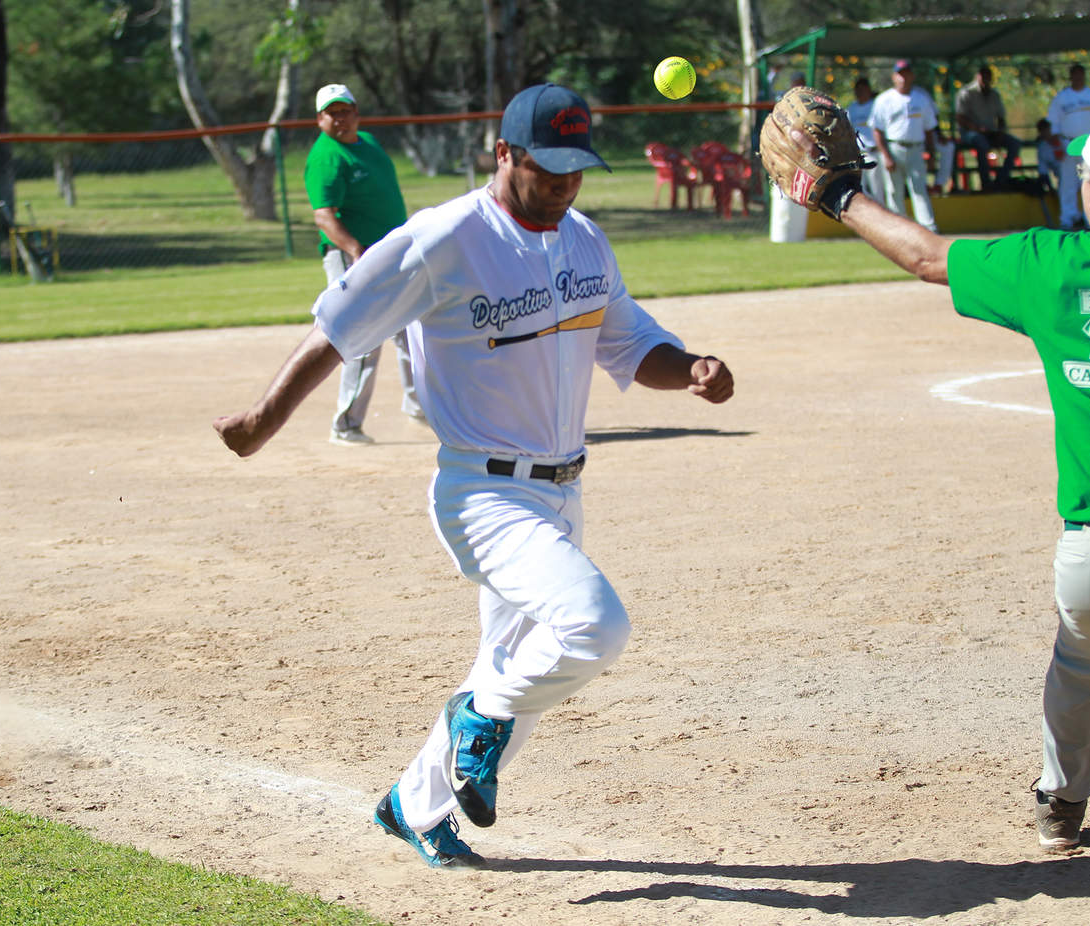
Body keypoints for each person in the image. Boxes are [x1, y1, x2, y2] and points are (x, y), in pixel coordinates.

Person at [213, 83, 735, 868]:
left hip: (562, 490)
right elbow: (337, 326)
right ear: (503, 154)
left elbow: (630, 344)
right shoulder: (443, 239)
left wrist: (689, 367)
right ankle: (475, 717)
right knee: (592, 627)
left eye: (575, 170)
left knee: (517, 674)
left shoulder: (585, 241)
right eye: (547, 168)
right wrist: (261, 421)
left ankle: (413, 807)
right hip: (483, 491)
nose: (563, 185)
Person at [784, 107, 1090, 853]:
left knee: (1081, 671)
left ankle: (1060, 804)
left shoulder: (1050, 263)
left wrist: (835, 195)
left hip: (1089, 558)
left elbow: (926, 255)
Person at [304, 83, 421, 445]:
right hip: (354, 257)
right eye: (331, 112)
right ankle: (346, 424)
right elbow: (324, 216)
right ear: (320, 119)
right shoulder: (327, 157)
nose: (339, 118)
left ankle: (422, 405)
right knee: (360, 336)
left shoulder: (367, 143)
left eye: (345, 110)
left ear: (356, 113)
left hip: (390, 254)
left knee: (411, 329)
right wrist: (356, 250)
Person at [870, 59, 938, 231]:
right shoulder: (884, 99)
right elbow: (877, 130)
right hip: (894, 147)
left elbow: (930, 129)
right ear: (894, 77)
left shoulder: (921, 99)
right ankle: (899, 229)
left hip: (916, 148)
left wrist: (932, 154)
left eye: (906, 73)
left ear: (912, 76)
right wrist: (885, 155)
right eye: (900, 74)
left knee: (919, 189)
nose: (903, 78)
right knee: (894, 191)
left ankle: (928, 228)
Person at [1047, 64, 1090, 230]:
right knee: (1067, 184)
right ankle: (1068, 218)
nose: (1078, 78)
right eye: (1075, 74)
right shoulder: (1061, 98)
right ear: (1071, 76)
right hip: (1067, 144)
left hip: (1089, 145)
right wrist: (1057, 144)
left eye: (1081, 74)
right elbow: (1053, 123)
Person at [954, 65, 1023, 191]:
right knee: (981, 143)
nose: (986, 81)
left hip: (991, 132)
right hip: (971, 133)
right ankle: (986, 182)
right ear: (977, 77)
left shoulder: (994, 95)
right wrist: (977, 129)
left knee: (1015, 143)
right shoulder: (966, 93)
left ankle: (1001, 179)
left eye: (988, 78)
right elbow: (960, 117)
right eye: (983, 78)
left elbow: (1001, 117)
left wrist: (1001, 132)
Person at [845, 77, 885, 204]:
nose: (860, 92)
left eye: (863, 89)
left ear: (868, 89)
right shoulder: (851, 108)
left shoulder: (876, 105)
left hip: (874, 152)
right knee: (860, 190)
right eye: (857, 89)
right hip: (858, 155)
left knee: (877, 190)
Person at [1034, 117, 1065, 194]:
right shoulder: (1043, 149)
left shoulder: (1066, 140)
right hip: (1063, 182)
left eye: (1047, 129)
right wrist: (1051, 190)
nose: (1046, 133)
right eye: (1042, 131)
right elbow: (1043, 173)